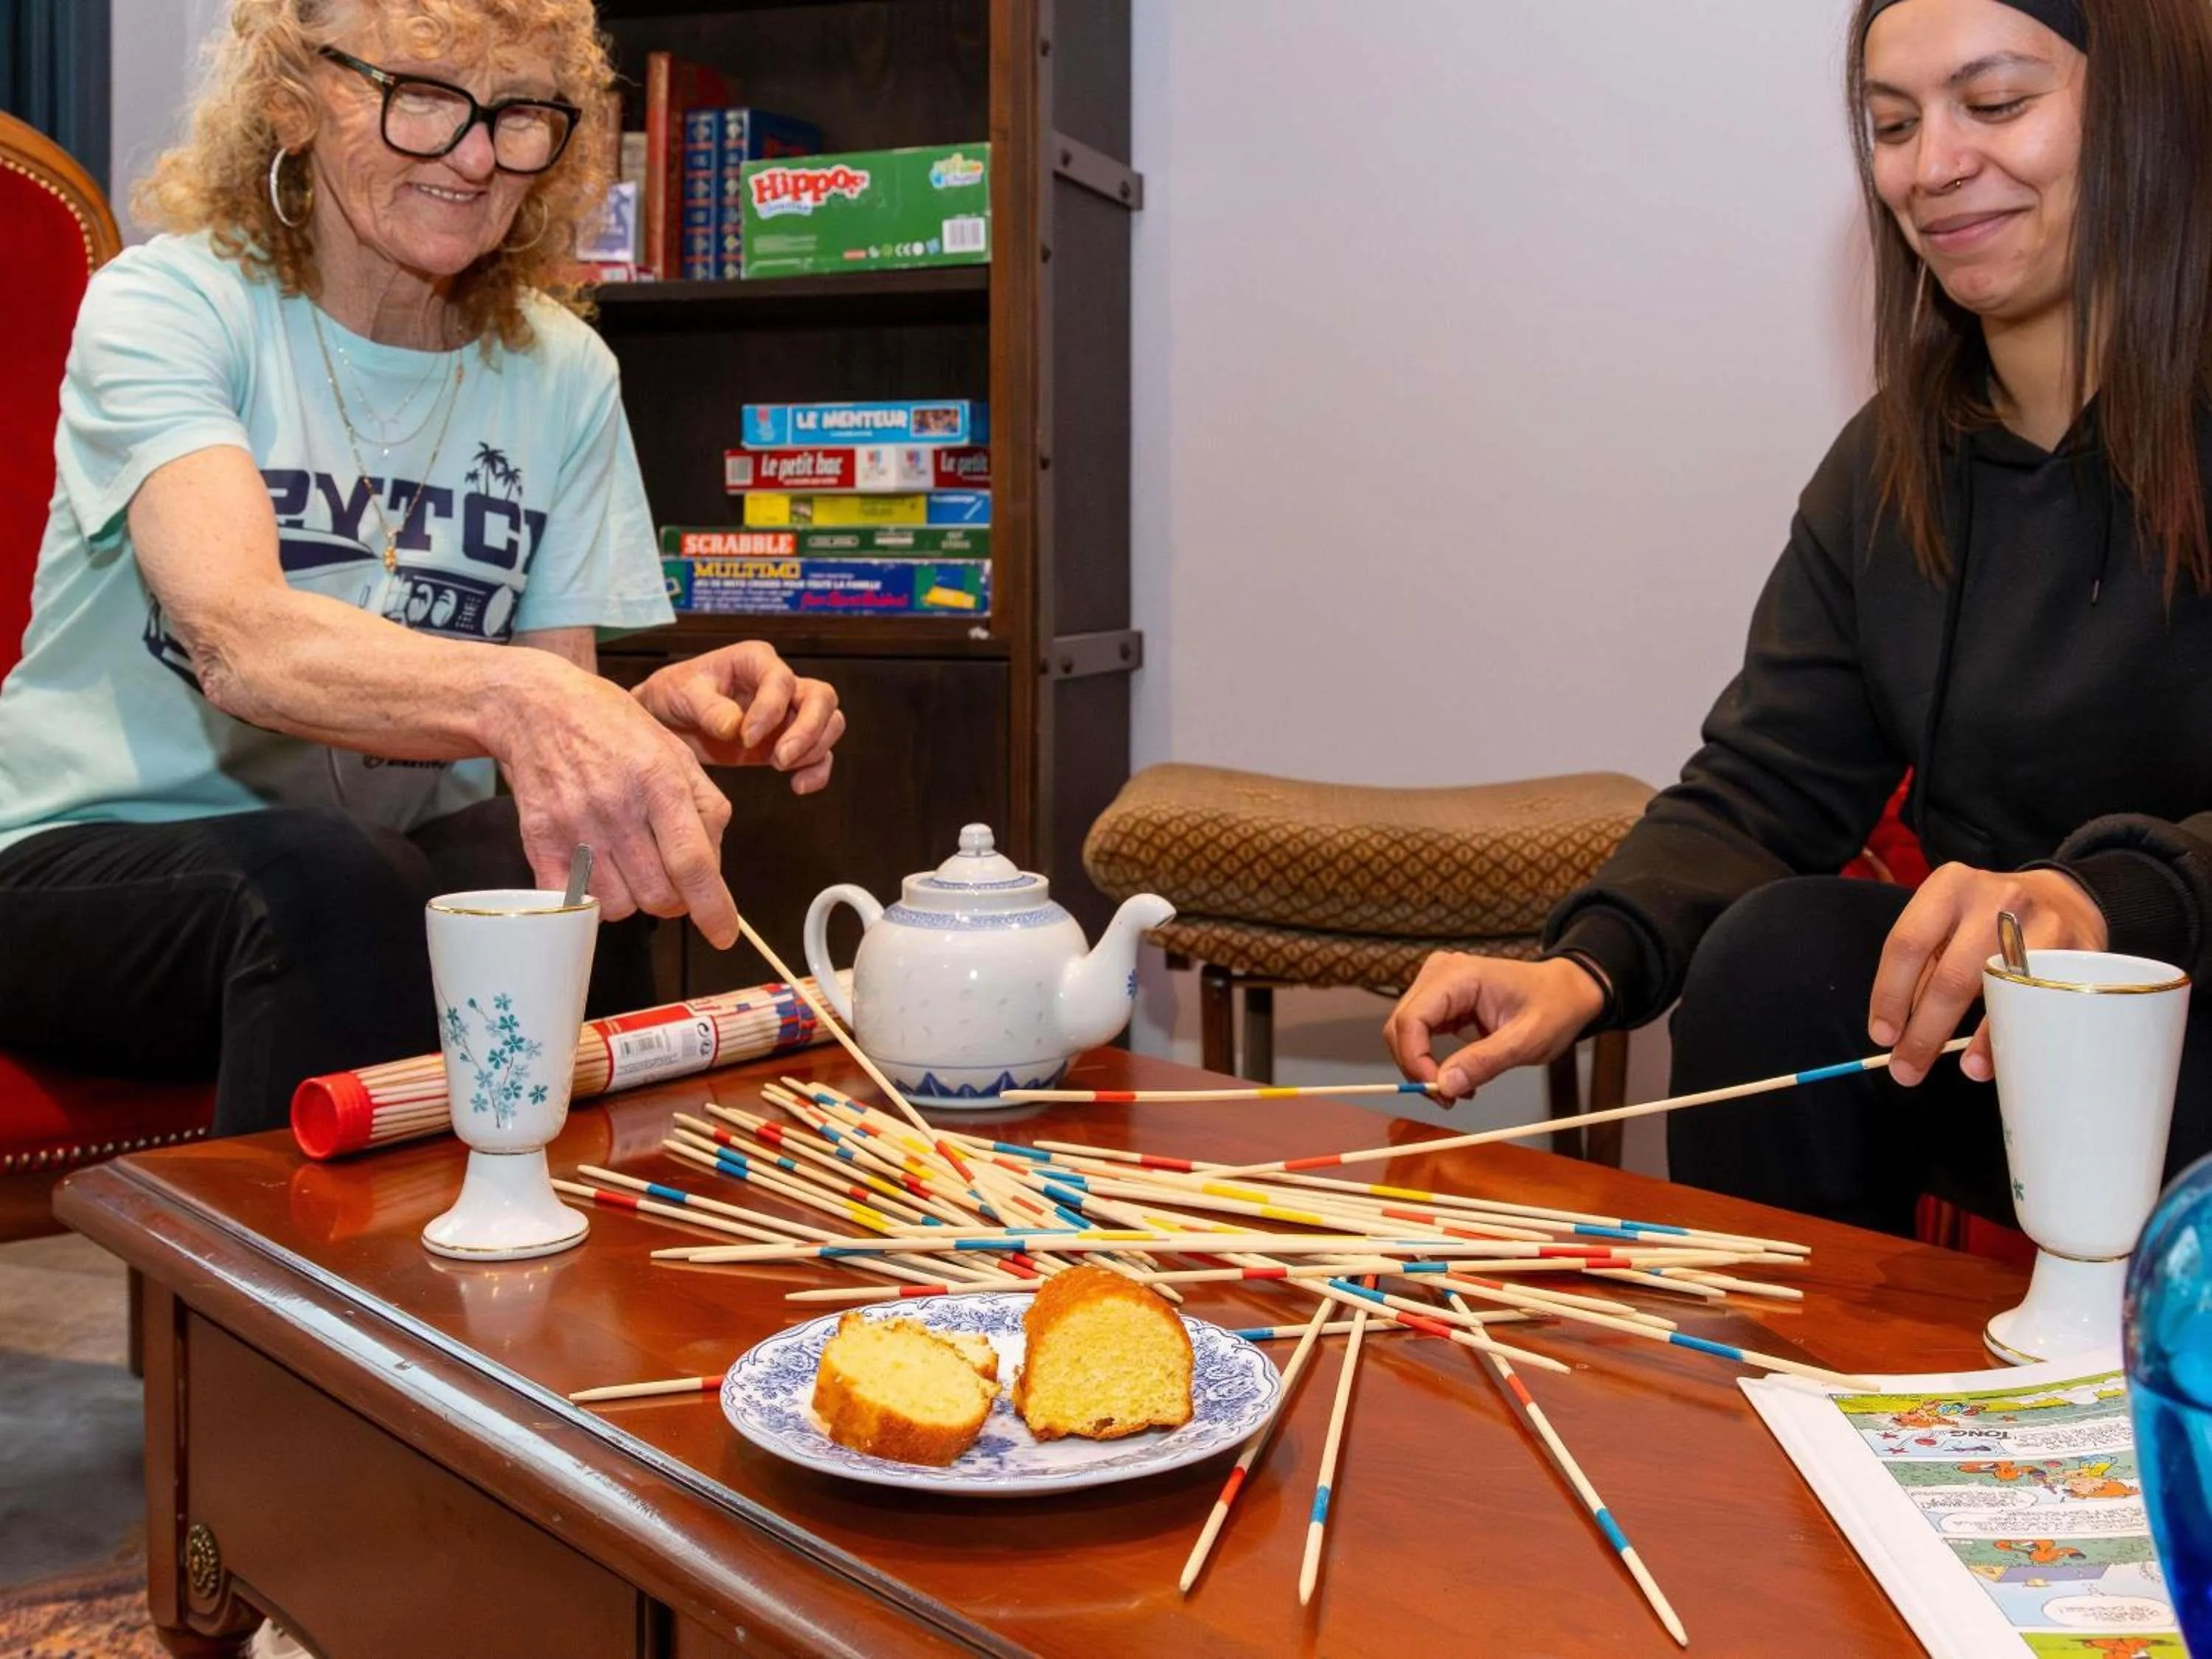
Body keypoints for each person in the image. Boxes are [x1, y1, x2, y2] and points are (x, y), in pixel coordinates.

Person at [1385, 0, 2212, 1237]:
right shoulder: (1891, 467)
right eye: (1892, 124)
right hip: (2009, 1060)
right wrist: (1586, 964)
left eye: (1995, 104)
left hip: (2191, 1034)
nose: (1931, 168)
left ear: (2149, 108)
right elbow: (1764, 782)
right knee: (1780, 959)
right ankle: (1783, 1403)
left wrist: (2102, 902)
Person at [0, 0, 846, 1137]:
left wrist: (636, 725)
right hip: (74, 873)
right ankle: (298, 1315)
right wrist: (539, 704)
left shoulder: (565, 373)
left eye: (521, 111)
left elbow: (547, 734)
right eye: (427, 97)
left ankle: (581, 1266)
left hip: (378, 869)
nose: (479, 152)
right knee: (331, 884)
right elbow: (241, 644)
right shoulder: (172, 305)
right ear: (294, 101)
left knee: (581, 866)